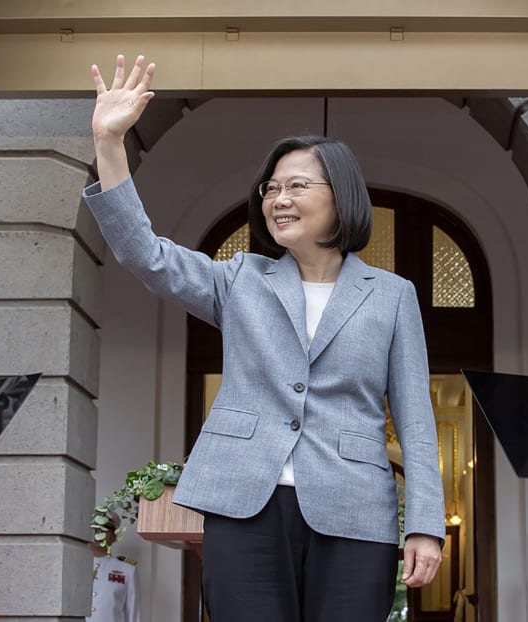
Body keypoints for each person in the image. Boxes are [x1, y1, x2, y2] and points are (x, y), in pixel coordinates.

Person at [82, 55, 445, 622]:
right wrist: (109, 144)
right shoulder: (240, 280)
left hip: (354, 509)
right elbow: (145, 255)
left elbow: (416, 420)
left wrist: (425, 523)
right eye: (271, 188)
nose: (279, 199)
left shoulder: (393, 295)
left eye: (297, 185)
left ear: (341, 196)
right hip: (243, 503)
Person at [87, 515, 140, 622]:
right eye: (95, 528)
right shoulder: (73, 564)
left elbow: (132, 612)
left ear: (114, 536)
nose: (99, 533)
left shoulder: (126, 569)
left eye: (105, 529)